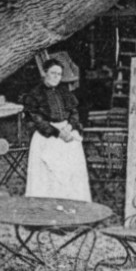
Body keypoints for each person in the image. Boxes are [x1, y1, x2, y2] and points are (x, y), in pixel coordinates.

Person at [22, 59, 92, 201]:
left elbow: (74, 112)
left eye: (59, 74)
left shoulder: (64, 91)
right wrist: (58, 133)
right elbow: (37, 120)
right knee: (47, 175)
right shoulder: (34, 94)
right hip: (47, 135)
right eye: (53, 73)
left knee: (70, 171)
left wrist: (70, 126)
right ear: (44, 73)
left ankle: (70, 202)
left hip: (67, 131)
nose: (56, 77)